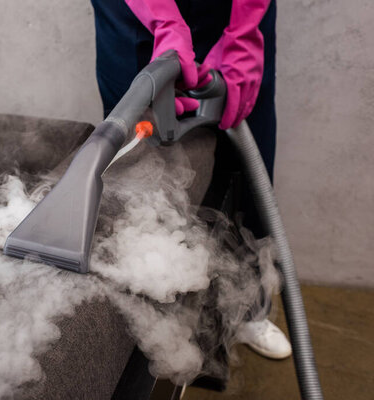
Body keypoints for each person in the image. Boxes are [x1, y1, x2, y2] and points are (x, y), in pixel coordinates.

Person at [90, 0, 291, 360]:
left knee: (247, 162)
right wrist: (163, 18)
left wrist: (244, 30)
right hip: (135, 16)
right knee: (142, 168)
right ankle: (151, 322)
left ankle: (246, 310)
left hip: (238, 10)